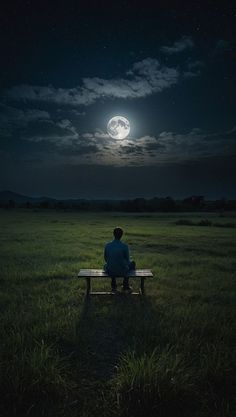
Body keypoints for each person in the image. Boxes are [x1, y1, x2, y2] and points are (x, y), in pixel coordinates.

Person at [104, 227, 135, 293]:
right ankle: (125, 285)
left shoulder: (107, 245)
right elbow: (127, 261)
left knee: (107, 265)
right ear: (122, 235)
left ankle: (113, 286)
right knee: (133, 263)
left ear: (113, 234)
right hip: (122, 271)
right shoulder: (124, 246)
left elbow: (106, 259)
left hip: (110, 271)